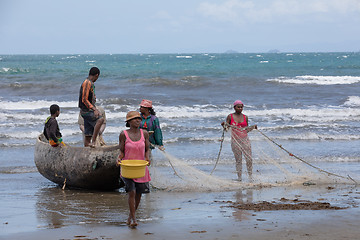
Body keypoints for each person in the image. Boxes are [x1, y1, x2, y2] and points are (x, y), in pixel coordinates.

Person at [117, 111, 151, 227]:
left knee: (139, 194)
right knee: (132, 192)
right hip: (128, 168)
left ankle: (130, 217)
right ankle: (134, 219)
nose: (138, 120)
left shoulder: (144, 133)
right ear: (129, 122)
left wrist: (147, 157)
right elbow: (121, 151)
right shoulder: (123, 134)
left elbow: (147, 148)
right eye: (135, 119)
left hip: (140, 167)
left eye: (139, 119)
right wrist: (119, 158)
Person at [221, 100, 257, 181]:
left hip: (245, 140)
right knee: (238, 160)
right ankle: (239, 178)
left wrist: (253, 127)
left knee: (249, 159)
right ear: (234, 107)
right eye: (238, 107)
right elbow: (227, 129)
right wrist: (224, 126)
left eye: (241, 107)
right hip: (235, 141)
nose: (240, 108)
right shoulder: (230, 117)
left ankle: (250, 177)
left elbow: (246, 130)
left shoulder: (245, 117)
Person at [78, 67, 104, 147]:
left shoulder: (90, 83)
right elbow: (84, 99)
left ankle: (87, 147)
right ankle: (94, 141)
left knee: (88, 135)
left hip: (87, 110)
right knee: (100, 119)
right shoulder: (87, 83)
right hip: (86, 111)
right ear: (96, 75)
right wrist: (94, 109)